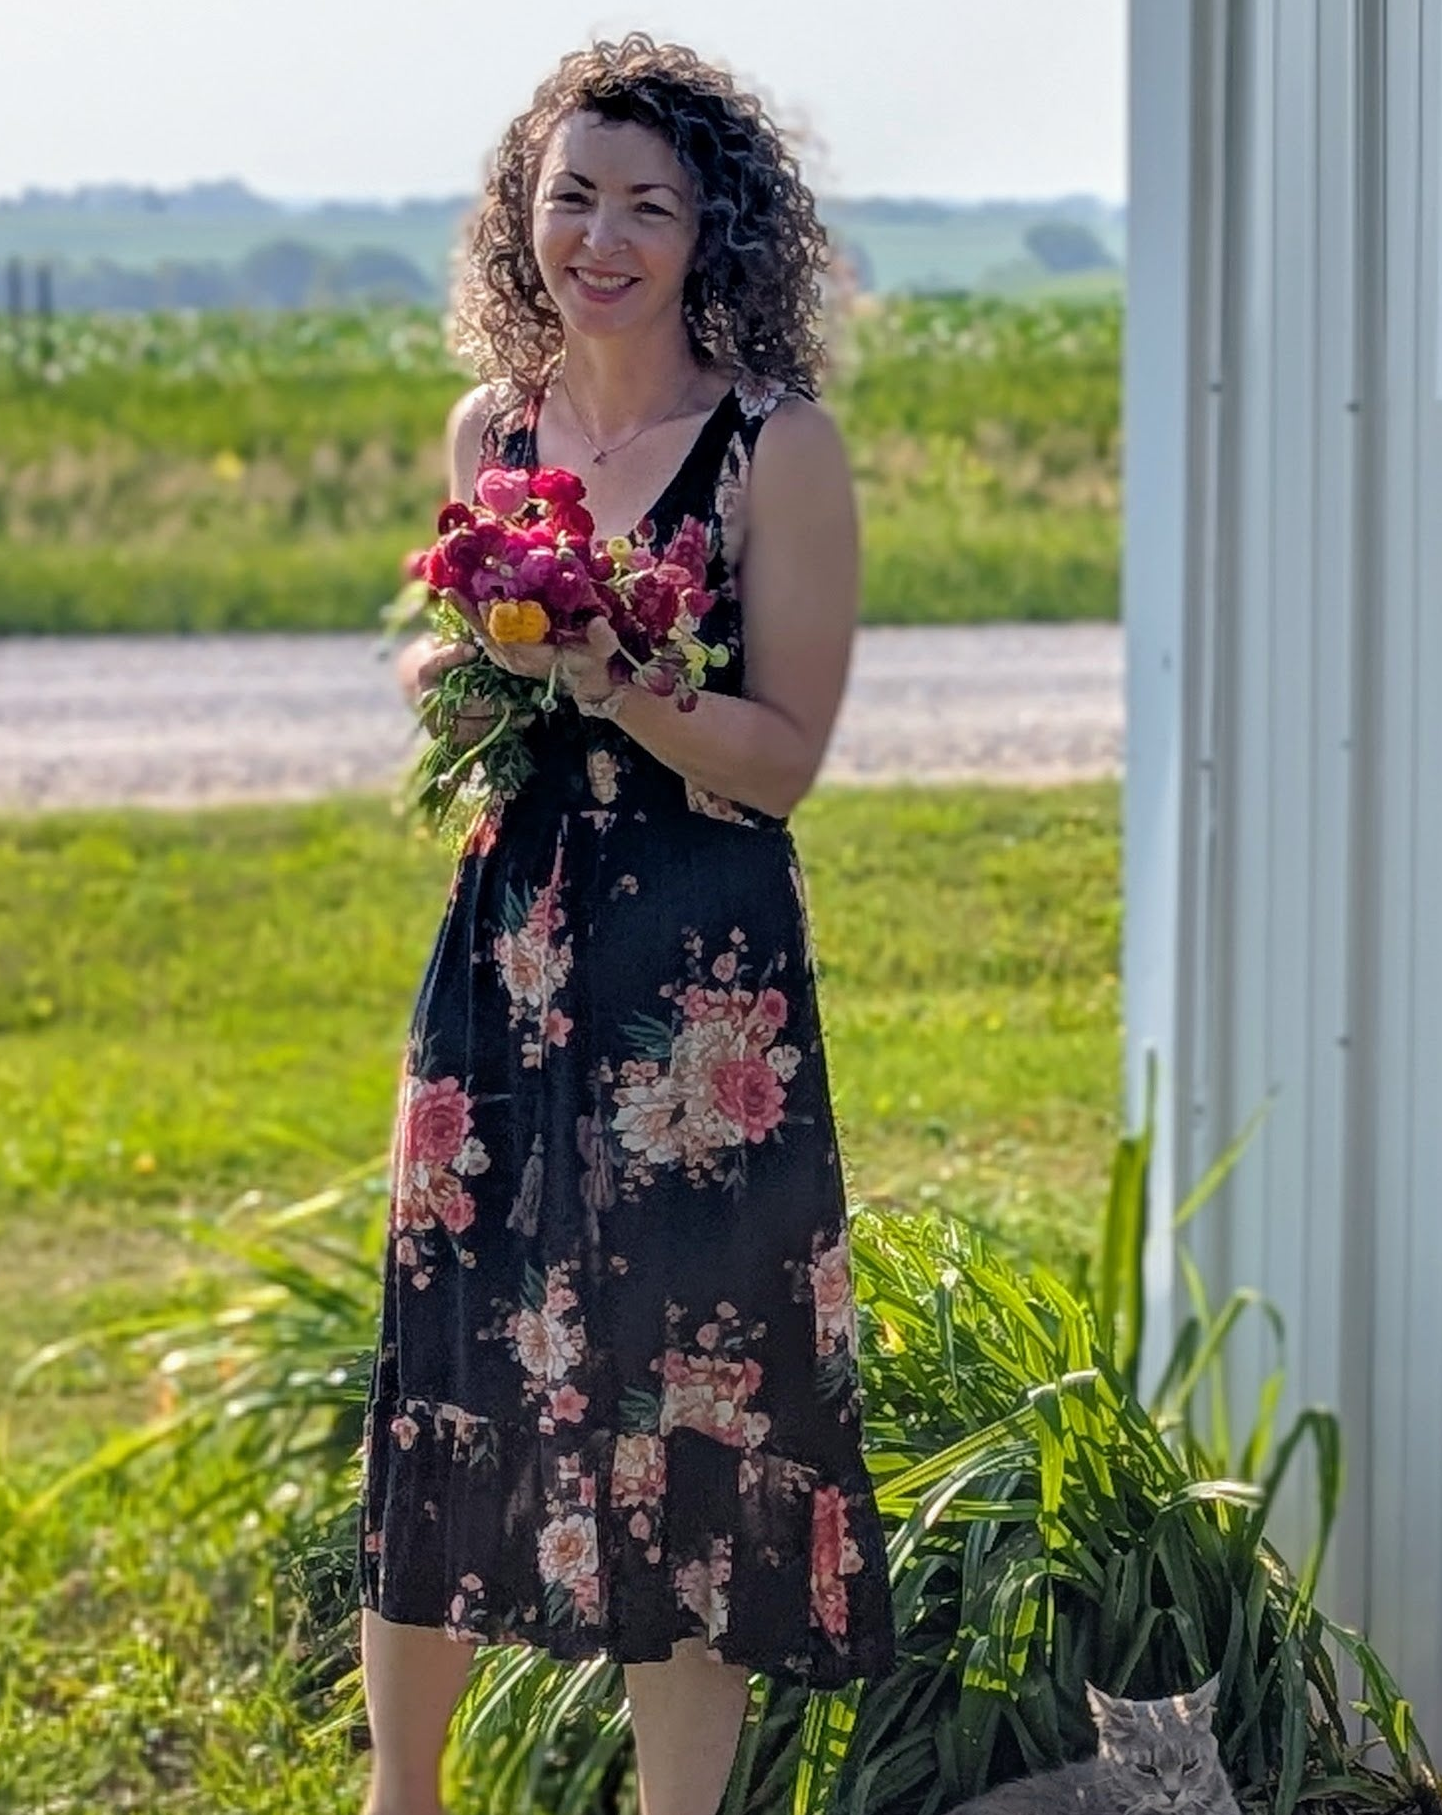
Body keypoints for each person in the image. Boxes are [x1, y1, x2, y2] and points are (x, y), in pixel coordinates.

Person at [360, 34, 895, 1815]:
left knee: (698, 1398)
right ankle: (400, 1800)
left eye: (647, 205)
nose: (601, 235)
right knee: (452, 1376)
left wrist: (612, 674)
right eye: (572, 192)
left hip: (697, 984)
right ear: (526, 208)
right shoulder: (492, 431)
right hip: (507, 948)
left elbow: (787, 759)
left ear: (710, 233)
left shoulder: (774, 449)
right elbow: (462, 688)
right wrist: (467, 671)